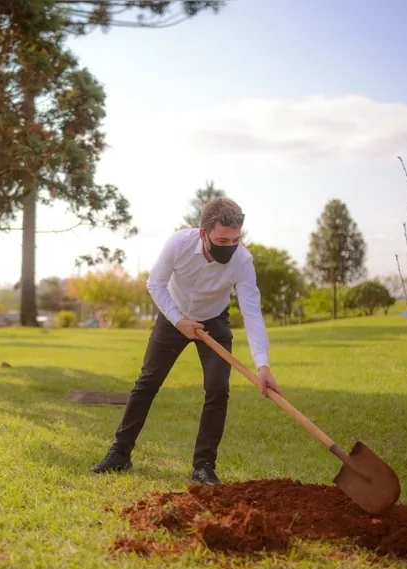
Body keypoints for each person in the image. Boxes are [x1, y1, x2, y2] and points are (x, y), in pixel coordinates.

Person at [91, 196, 281, 485]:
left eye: (235, 240)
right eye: (222, 240)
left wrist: (263, 365)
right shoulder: (178, 244)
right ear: (204, 233)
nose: (230, 247)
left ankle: (203, 466)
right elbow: (154, 283)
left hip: (214, 321)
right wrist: (178, 320)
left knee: (218, 390)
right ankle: (120, 453)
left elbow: (252, 312)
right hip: (173, 316)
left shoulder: (242, 260)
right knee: (147, 383)